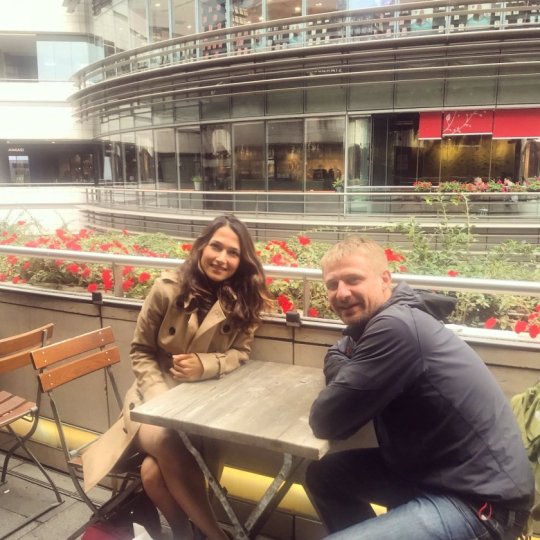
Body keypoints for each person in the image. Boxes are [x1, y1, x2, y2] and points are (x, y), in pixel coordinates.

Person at [305, 236, 533, 540]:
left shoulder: (395, 327)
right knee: (324, 475)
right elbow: (339, 349)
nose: (342, 293)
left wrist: (347, 370)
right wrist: (349, 368)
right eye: (332, 284)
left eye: (353, 280)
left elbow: (326, 420)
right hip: (430, 474)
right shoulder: (384, 321)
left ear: (385, 279)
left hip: (481, 503)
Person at [82, 215, 273, 540]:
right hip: (149, 402)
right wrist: (161, 401)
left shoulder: (243, 300)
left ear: (242, 261)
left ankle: (186, 535)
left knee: (151, 472)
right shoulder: (167, 289)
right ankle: (216, 536)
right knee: (169, 440)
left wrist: (205, 364)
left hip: (201, 407)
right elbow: (140, 351)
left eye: (233, 252)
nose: (221, 258)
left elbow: (240, 353)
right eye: (216, 246)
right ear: (202, 247)